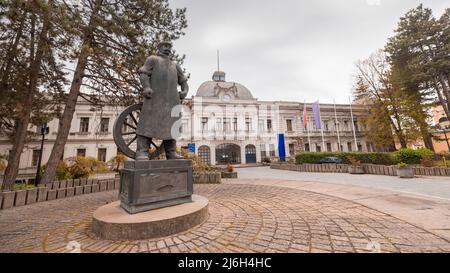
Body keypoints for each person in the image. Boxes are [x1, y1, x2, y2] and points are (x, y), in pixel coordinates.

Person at [135, 40, 188, 160]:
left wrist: (184, 91)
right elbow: (143, 73)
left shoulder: (175, 65)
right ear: (159, 48)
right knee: (147, 122)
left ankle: (171, 152)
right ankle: (142, 152)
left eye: (169, 46)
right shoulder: (153, 59)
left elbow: (183, 81)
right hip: (155, 97)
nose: (167, 48)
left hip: (172, 99)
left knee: (172, 125)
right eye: (165, 46)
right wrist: (147, 87)